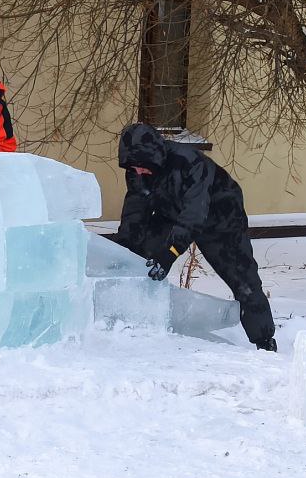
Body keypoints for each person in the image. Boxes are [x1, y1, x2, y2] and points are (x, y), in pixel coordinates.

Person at [116, 123, 277, 352]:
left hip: (221, 218)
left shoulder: (190, 162)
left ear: (155, 156)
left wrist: (170, 253)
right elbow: (134, 212)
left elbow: (194, 214)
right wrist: (124, 250)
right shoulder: (136, 171)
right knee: (141, 255)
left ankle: (264, 340)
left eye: (142, 167)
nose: (138, 172)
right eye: (133, 167)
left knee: (244, 281)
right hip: (171, 214)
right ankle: (134, 323)